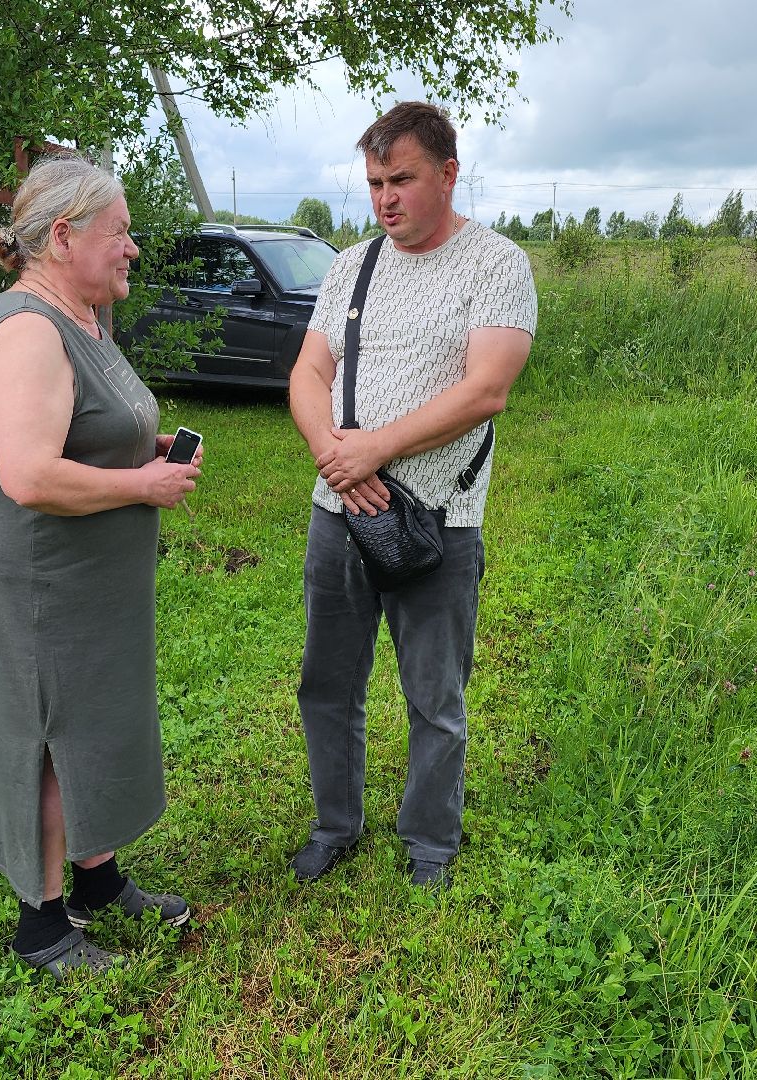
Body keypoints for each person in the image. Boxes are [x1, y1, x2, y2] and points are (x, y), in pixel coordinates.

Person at [0, 154, 203, 980]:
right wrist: (143, 481)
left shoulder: (83, 314)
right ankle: (43, 928)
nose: (131, 248)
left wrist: (139, 445)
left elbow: (77, 427)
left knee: (91, 722)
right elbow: (27, 474)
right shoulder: (27, 333)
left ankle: (97, 881)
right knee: (49, 736)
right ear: (62, 237)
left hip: (82, 583)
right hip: (36, 585)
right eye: (119, 232)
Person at [286, 102, 537, 891]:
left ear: (448, 173)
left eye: (402, 179)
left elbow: (486, 389)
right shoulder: (351, 265)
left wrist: (374, 450)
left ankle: (430, 842)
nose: (385, 197)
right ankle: (336, 827)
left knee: (435, 696)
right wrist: (335, 457)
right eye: (373, 183)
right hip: (339, 517)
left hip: (437, 522)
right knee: (327, 684)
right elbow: (308, 373)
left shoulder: (496, 265)